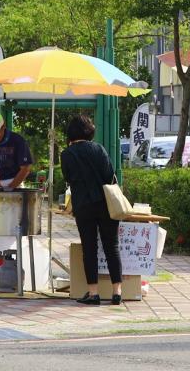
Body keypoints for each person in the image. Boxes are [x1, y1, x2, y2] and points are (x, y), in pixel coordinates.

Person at [60, 114, 123, 306]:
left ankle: (93, 293)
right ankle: (116, 292)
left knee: (90, 248)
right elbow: (109, 175)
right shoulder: (99, 149)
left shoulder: (67, 154)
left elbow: (69, 179)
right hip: (106, 204)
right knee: (111, 246)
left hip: (83, 205)